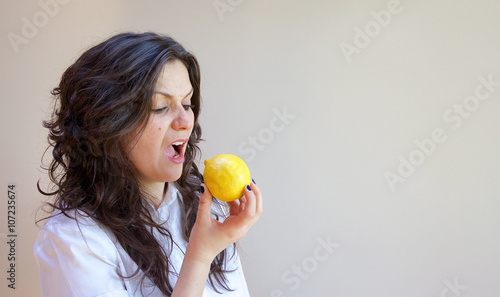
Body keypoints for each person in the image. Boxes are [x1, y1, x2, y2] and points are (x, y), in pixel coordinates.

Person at [34, 32, 263, 297]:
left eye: (187, 104)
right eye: (159, 107)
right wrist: (200, 257)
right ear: (108, 123)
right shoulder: (74, 240)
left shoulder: (205, 209)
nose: (185, 121)